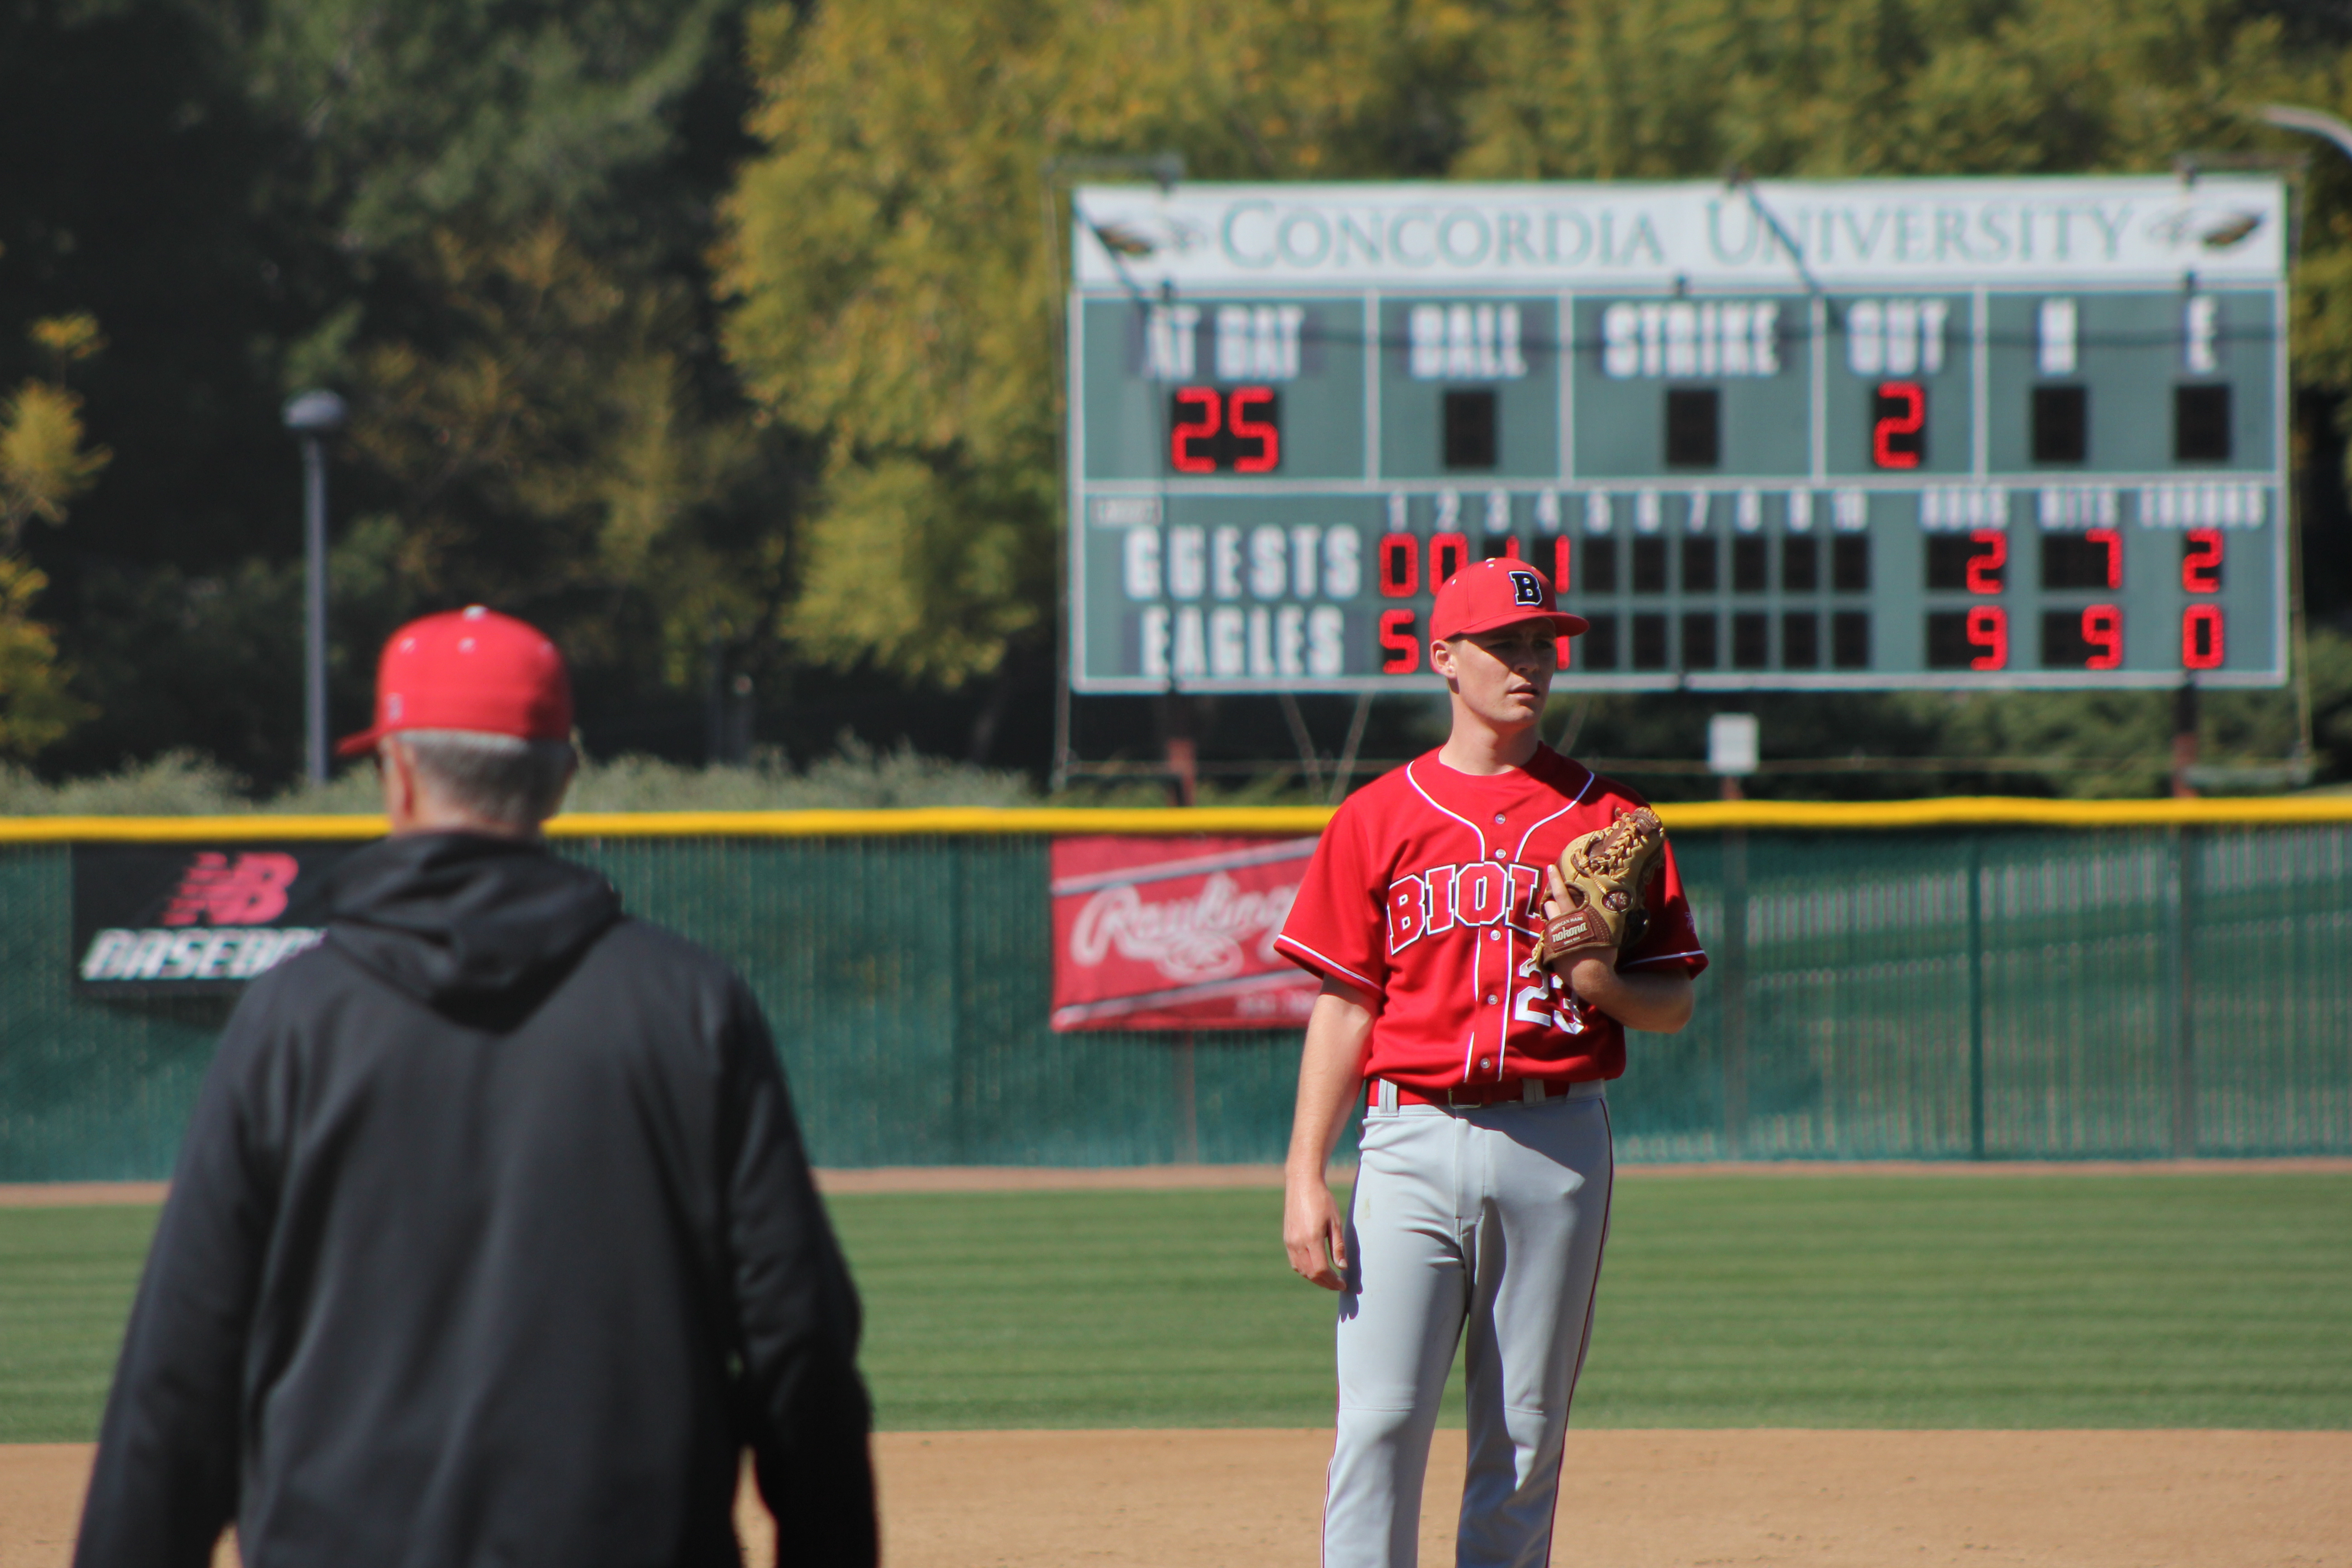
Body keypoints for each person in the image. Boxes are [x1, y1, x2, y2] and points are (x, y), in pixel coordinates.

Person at [75, 606, 875, 1568]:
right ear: (563, 780)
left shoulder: (292, 1020)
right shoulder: (691, 1008)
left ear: (398, 776)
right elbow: (802, 1345)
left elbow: (182, 1374)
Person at [1273, 559, 1705, 1568]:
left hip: (1556, 1138)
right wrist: (1304, 1176)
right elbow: (1344, 1007)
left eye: (1543, 644)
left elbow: (1675, 1004)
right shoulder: (1378, 816)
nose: (1530, 664)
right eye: (1504, 644)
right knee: (1379, 1421)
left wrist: (1602, 984)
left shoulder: (1612, 819)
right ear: (1445, 661)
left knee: (1523, 1433)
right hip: (1409, 1135)